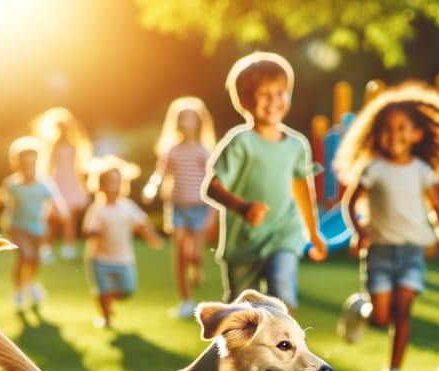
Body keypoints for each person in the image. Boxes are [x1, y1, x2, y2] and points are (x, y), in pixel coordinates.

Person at [333, 81, 439, 371]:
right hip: (380, 252)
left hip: (412, 251)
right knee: (381, 317)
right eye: (386, 129)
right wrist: (359, 231)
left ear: (417, 134)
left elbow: (435, 208)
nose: (394, 135)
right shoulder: (374, 169)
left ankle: (394, 370)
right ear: (376, 134)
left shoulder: (422, 170)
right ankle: (362, 310)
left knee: (403, 310)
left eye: (401, 128)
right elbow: (350, 202)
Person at [203, 52, 327, 314]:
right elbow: (212, 187)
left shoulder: (296, 145)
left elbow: (301, 188)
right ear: (245, 101)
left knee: (281, 296)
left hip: (283, 234)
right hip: (243, 243)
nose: (274, 101)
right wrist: (242, 207)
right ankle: (241, 356)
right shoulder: (240, 142)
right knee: (239, 314)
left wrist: (313, 232)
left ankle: (286, 352)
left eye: (281, 92)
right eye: (264, 94)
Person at [142, 96, 217, 318]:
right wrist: (151, 189)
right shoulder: (172, 150)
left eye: (190, 119)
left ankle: (198, 266)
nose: (185, 123)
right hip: (178, 208)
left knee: (194, 254)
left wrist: (212, 213)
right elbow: (160, 173)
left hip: (199, 209)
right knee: (180, 255)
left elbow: (213, 182)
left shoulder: (203, 151)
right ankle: (185, 300)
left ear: (198, 122)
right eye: (182, 119)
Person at [0, 136, 68, 312]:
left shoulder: (44, 184)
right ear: (17, 164)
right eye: (24, 165)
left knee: (35, 259)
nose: (28, 169)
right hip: (16, 227)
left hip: (38, 228)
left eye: (32, 164)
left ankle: (32, 283)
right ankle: (18, 291)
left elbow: (56, 201)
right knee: (24, 257)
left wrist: (62, 214)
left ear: (38, 163)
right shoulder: (13, 184)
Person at [83, 156, 163, 328]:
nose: (115, 187)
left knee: (127, 290)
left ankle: (107, 300)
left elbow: (141, 224)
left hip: (124, 259)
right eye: (110, 183)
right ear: (101, 185)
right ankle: (106, 319)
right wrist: (95, 232)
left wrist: (151, 237)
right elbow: (89, 231)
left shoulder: (127, 206)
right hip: (100, 260)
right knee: (102, 290)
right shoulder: (97, 209)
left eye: (118, 182)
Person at [32, 107, 92, 261]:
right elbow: (50, 166)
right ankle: (47, 248)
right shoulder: (54, 146)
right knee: (52, 219)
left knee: (69, 218)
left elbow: (78, 166)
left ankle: (69, 247)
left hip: (70, 182)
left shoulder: (74, 145)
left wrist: (82, 184)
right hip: (57, 182)